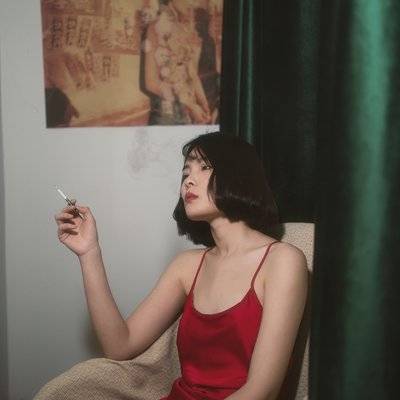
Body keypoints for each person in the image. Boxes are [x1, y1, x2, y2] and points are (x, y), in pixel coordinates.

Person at [53, 131, 308, 399]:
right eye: (186, 173)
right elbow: (119, 346)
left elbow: (263, 390)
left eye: (204, 167)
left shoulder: (282, 261)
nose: (188, 181)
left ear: (239, 175)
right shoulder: (187, 266)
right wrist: (89, 253)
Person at [140, 0, 211, 125]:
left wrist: (204, 104)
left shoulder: (183, 30)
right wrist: (191, 105)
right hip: (166, 117)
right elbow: (150, 83)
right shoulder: (155, 27)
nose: (192, 3)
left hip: (187, 115)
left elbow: (192, 74)